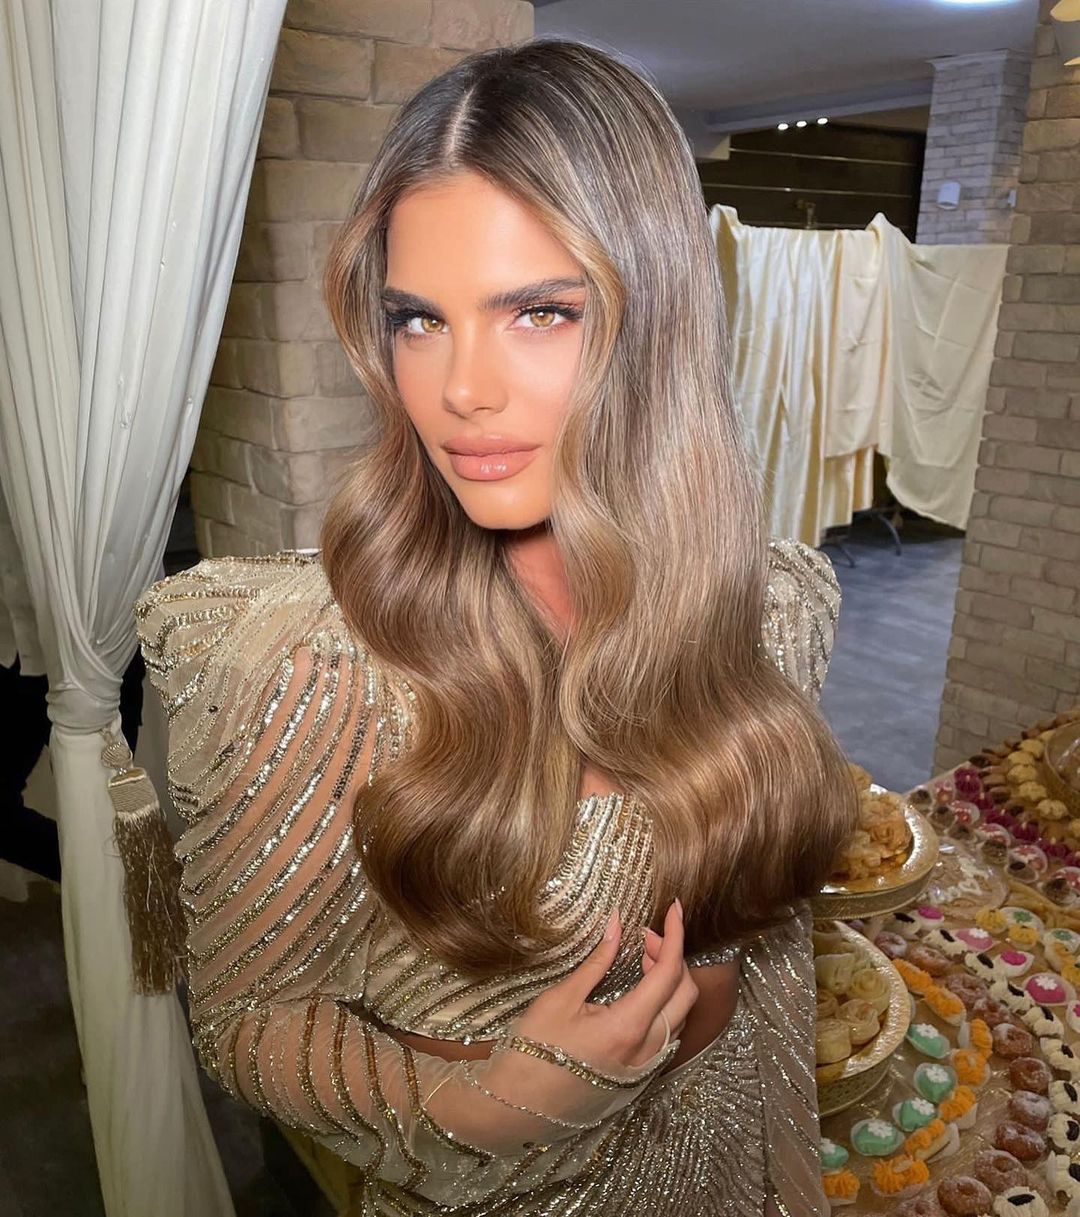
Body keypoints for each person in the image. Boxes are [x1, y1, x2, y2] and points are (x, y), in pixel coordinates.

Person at [134, 39, 857, 1216]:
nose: (461, 388)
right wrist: (488, 1102)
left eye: (538, 311)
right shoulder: (316, 672)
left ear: (657, 320)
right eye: (418, 320)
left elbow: (757, 955)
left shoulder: (772, 609)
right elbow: (248, 1019)